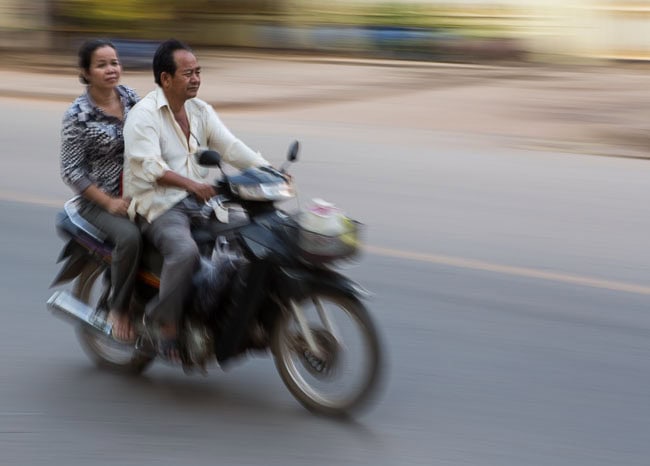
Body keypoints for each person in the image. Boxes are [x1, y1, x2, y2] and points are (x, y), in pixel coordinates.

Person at [123, 39, 270, 361]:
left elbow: (230, 148)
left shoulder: (200, 111)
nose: (196, 78)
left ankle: (231, 314)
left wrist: (269, 171)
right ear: (166, 78)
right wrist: (191, 185)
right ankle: (167, 326)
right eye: (188, 73)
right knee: (185, 252)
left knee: (247, 235)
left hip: (198, 202)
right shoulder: (144, 115)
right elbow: (148, 166)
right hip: (158, 207)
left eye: (198, 72)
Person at [60, 39, 142, 343]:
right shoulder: (77, 115)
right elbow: (71, 171)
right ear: (86, 72)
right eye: (102, 64)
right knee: (130, 237)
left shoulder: (131, 97)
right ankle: (117, 308)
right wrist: (108, 203)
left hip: (138, 192)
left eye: (115, 62)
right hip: (99, 202)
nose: (111, 69)